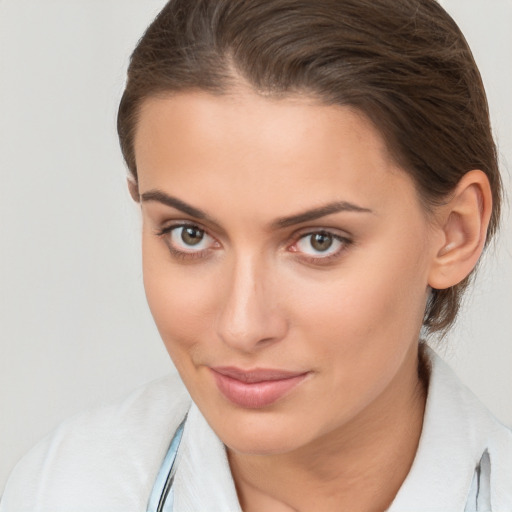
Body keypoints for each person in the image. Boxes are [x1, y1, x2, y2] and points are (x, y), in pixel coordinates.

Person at [1, 0, 511, 510]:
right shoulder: (62, 489)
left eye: (319, 241)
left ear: (454, 232)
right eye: (189, 234)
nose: (242, 326)